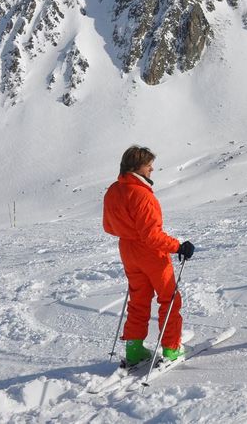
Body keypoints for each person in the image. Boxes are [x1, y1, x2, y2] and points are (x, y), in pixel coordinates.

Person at [103, 146, 195, 365]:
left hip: (127, 250)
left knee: (139, 300)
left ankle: (134, 350)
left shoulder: (114, 190)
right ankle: (171, 349)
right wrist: (179, 246)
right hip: (150, 253)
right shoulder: (142, 195)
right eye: (148, 165)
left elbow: (109, 226)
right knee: (169, 299)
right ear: (137, 167)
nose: (152, 168)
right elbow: (152, 236)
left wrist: (128, 232)